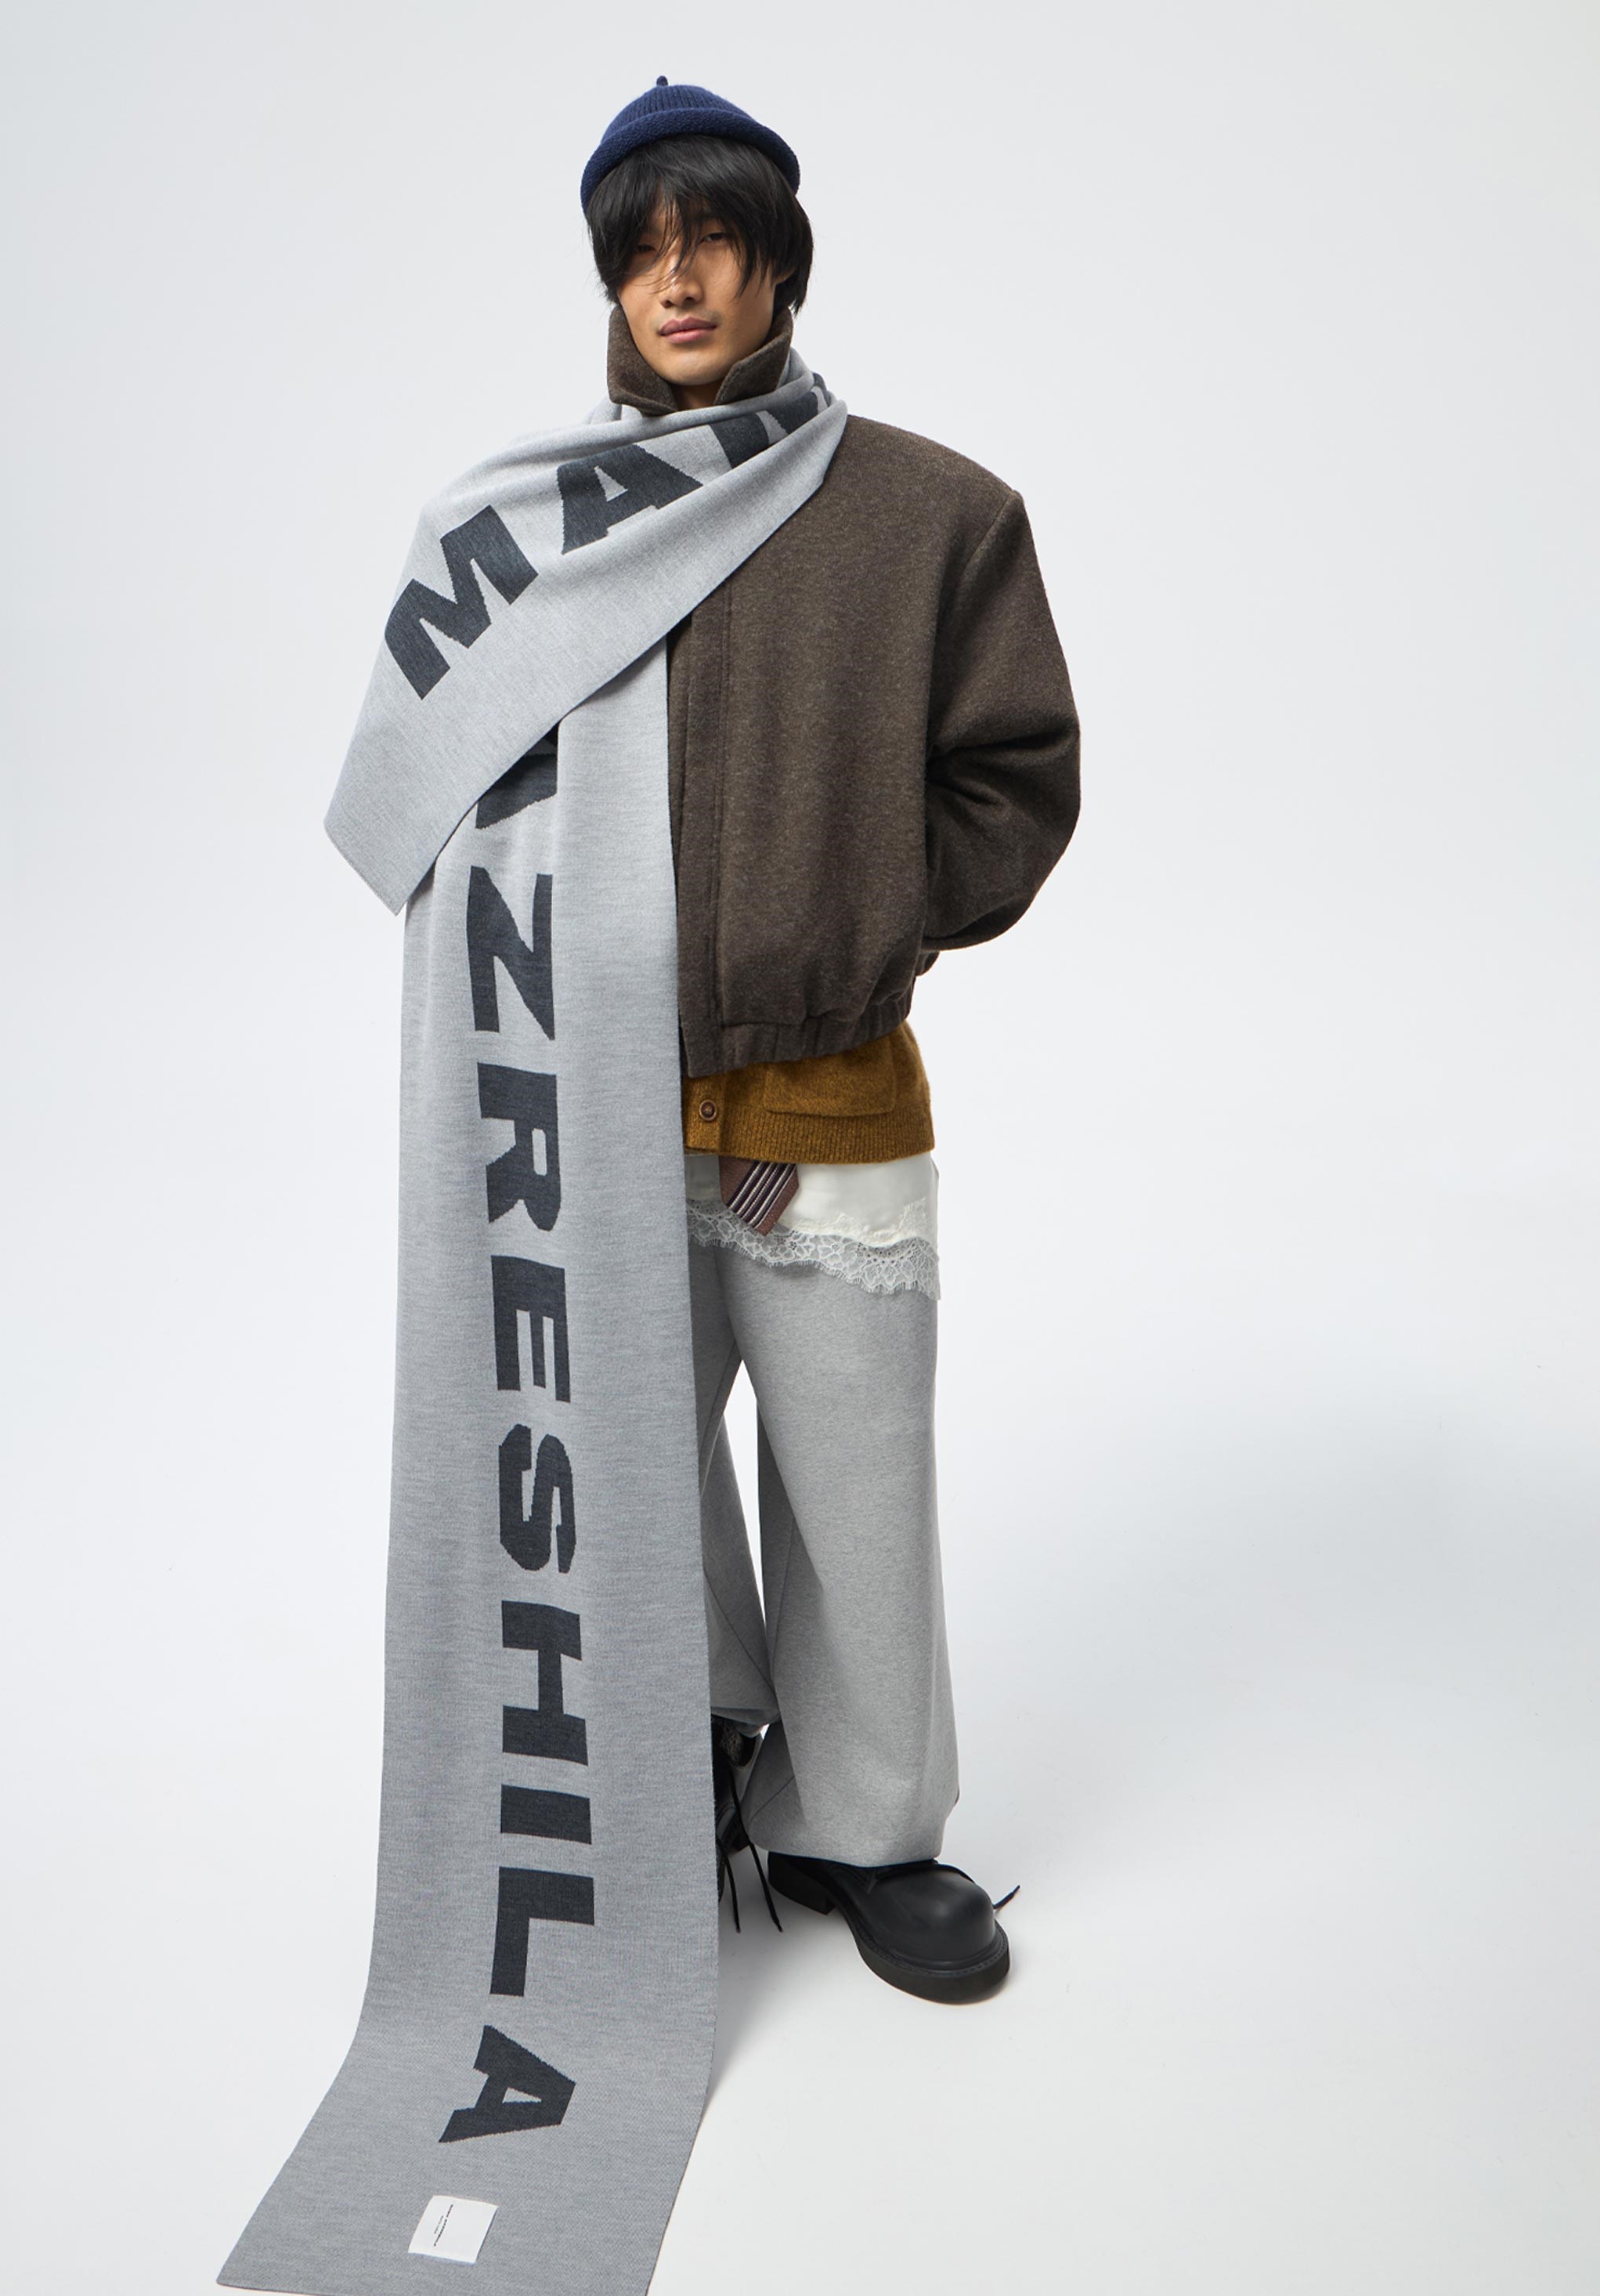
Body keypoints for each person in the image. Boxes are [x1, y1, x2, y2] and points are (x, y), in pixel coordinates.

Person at [581, 81, 1081, 2001]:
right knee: (626, 1454)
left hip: (827, 1085)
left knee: (855, 1472)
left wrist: (857, 910)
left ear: (779, 262)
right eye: (641, 252)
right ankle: (696, 1746)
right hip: (597, 1087)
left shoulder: (933, 513)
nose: (677, 281)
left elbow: (1014, 775)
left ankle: (864, 1826)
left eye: (709, 240)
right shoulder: (557, 531)